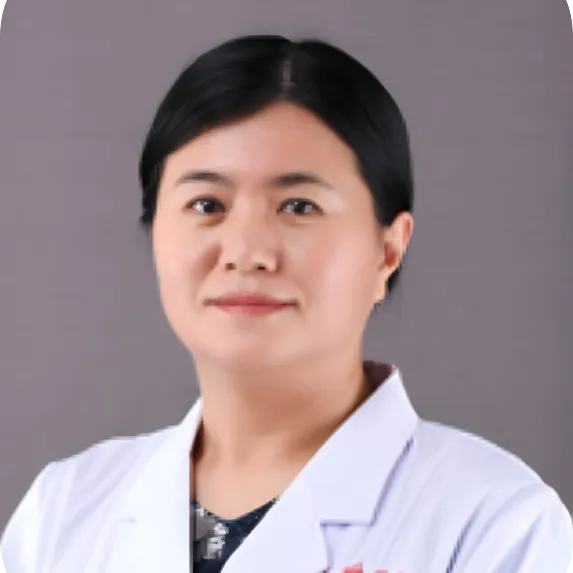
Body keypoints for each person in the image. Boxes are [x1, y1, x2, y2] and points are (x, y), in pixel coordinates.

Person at [1, 34, 571, 573]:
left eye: (299, 207)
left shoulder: (495, 525)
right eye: (206, 205)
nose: (245, 252)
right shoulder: (64, 510)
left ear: (388, 251)